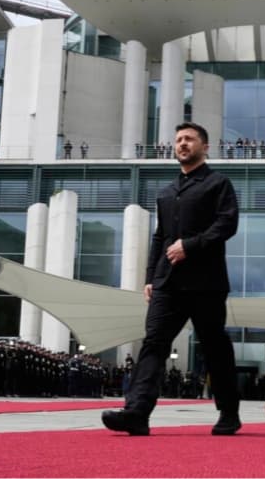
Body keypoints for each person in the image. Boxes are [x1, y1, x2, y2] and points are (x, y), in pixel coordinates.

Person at [102, 121, 242, 437]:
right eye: (178, 140)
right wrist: (151, 277)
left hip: (206, 283)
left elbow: (227, 224)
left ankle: (229, 412)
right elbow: (160, 237)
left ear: (205, 147)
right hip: (168, 284)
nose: (182, 144)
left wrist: (190, 246)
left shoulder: (218, 184)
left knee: (214, 346)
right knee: (153, 343)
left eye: (189, 139)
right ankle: (137, 413)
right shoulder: (166, 192)